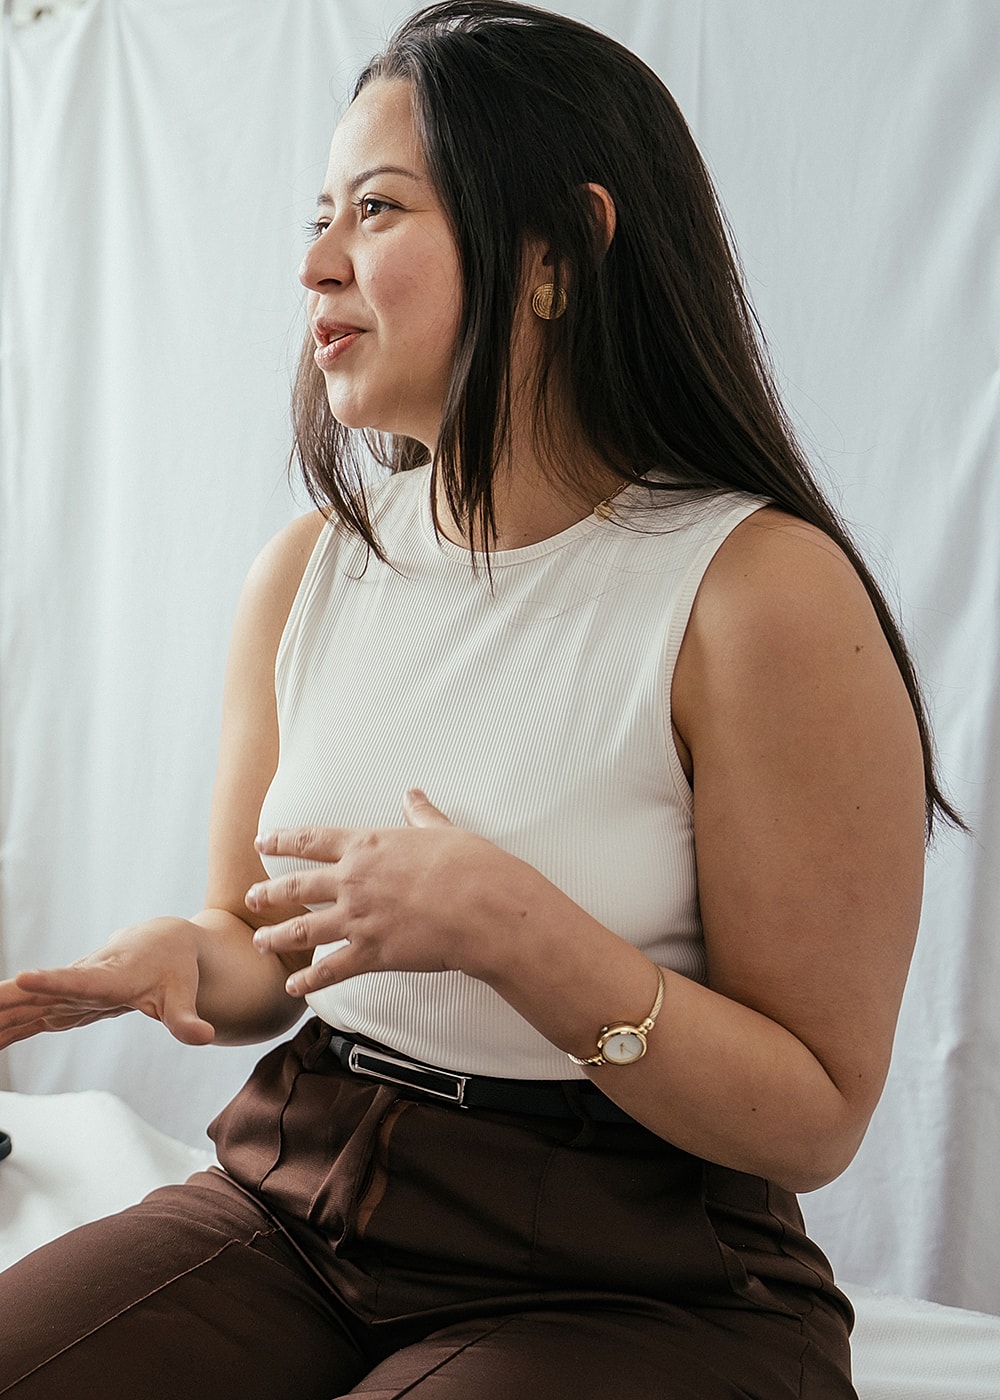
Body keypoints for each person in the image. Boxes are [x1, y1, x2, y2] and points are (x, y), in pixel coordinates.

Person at [0, 3, 953, 1396]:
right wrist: (187, 960)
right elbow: (266, 952)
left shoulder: (760, 596)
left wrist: (512, 929)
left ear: (557, 253)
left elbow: (812, 1119)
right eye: (318, 216)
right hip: (301, 1183)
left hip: (643, 1273)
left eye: (375, 210)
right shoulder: (312, 568)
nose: (315, 263)